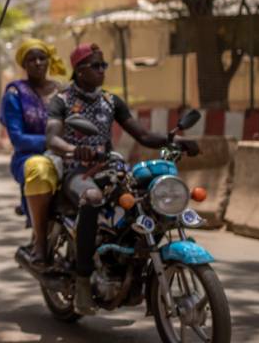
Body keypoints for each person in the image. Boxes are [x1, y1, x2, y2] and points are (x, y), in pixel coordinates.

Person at [45, 43, 195, 315]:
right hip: (76, 171)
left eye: (104, 65)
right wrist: (73, 149)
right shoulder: (62, 101)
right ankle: (81, 283)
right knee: (92, 199)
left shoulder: (111, 101)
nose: (102, 70)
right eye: (96, 65)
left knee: (148, 194)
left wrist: (177, 140)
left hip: (111, 167)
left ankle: (129, 259)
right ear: (79, 71)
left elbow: (144, 136)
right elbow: (52, 137)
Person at [0, 39, 65, 270]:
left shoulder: (62, 91)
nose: (38, 63)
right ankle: (39, 242)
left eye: (41, 58)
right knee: (39, 171)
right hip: (29, 156)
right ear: (24, 64)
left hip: (68, 154)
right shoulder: (15, 94)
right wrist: (54, 144)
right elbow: (18, 139)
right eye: (31, 59)